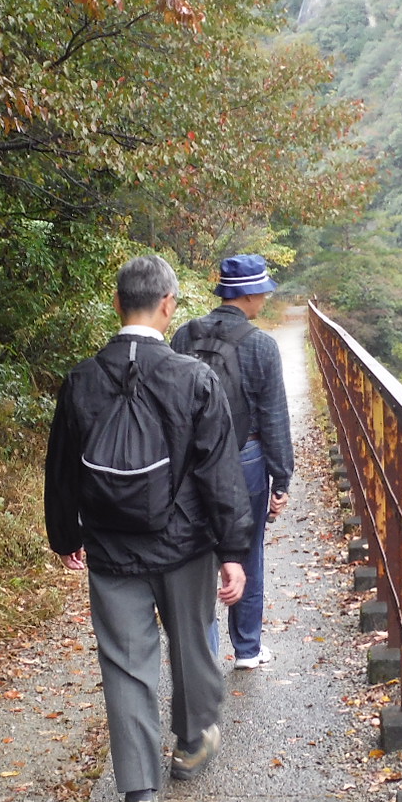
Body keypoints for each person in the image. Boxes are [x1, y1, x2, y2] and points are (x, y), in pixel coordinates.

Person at [44, 255, 252, 802]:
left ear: (117, 304)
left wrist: (66, 535)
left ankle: (139, 798)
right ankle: (191, 742)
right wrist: (233, 550)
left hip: (111, 548)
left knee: (125, 663)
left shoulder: (82, 379)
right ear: (168, 305)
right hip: (184, 545)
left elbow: (61, 468)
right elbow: (220, 473)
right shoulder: (194, 378)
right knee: (192, 644)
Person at [172, 253, 295, 670]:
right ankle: (247, 649)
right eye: (263, 292)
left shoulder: (184, 336)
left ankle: (203, 655)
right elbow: (274, 417)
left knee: (195, 556)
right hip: (246, 458)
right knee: (247, 550)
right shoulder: (261, 346)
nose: (265, 298)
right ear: (251, 295)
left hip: (190, 461)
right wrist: (281, 479)